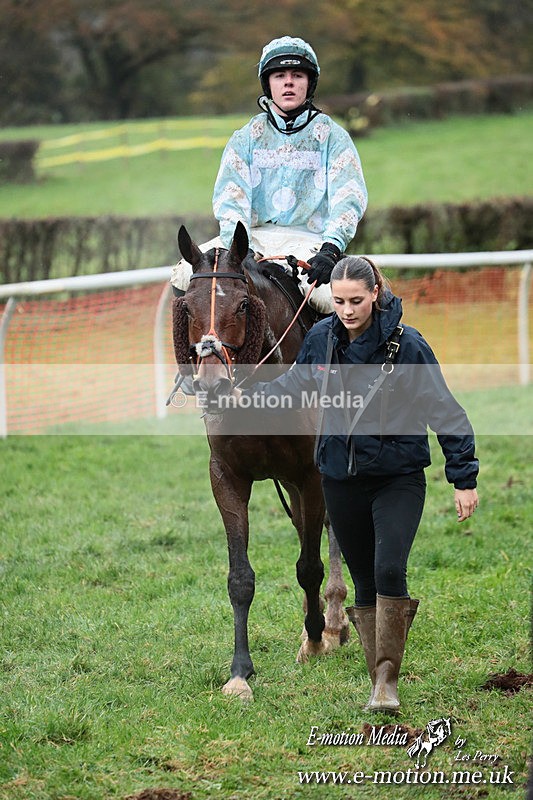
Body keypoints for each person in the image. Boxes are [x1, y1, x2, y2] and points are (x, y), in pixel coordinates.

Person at [230, 255, 479, 713]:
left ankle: (387, 681)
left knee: (388, 569)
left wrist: (463, 478)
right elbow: (296, 386)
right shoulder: (322, 339)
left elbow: (446, 411)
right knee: (364, 581)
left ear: (376, 294)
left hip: (398, 479)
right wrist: (252, 395)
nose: (347, 310)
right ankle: (376, 678)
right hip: (340, 480)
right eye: (340, 301)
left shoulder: (408, 346)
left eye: (356, 301)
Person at [171, 36, 368, 313]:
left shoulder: (334, 137)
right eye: (279, 75)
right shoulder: (245, 138)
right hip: (252, 238)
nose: (288, 82)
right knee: (183, 273)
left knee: (329, 297)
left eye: (297, 75)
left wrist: (331, 249)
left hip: (310, 243)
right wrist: (242, 250)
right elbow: (231, 199)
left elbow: (348, 197)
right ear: (268, 83)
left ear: (309, 83)